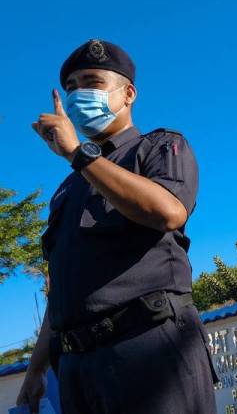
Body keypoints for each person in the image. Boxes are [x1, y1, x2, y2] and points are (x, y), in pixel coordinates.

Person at [16, 39, 217, 414]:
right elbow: (61, 287)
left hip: (149, 348)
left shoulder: (158, 146)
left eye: (91, 82)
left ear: (128, 94)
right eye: (71, 87)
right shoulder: (68, 188)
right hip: (78, 368)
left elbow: (169, 212)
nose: (78, 95)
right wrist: (36, 368)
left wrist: (78, 154)